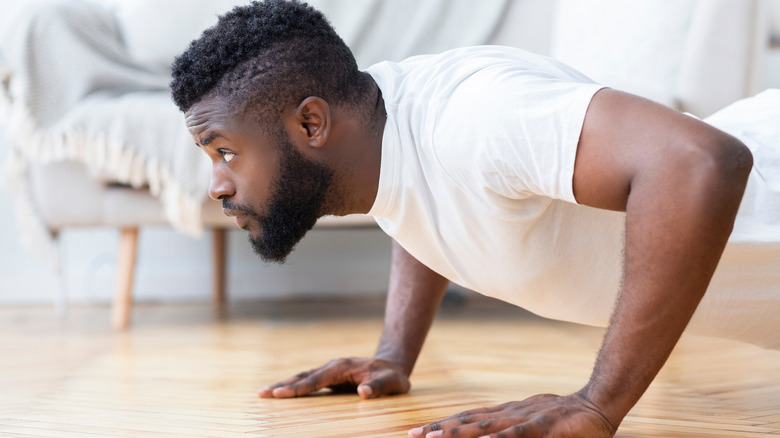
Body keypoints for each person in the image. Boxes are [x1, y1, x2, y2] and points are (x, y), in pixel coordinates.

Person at [170, 1, 780, 436]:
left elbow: (701, 163)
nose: (216, 185)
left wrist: (599, 403)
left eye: (225, 150)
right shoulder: (380, 132)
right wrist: (394, 352)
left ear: (311, 124)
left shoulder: (477, 116)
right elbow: (418, 194)